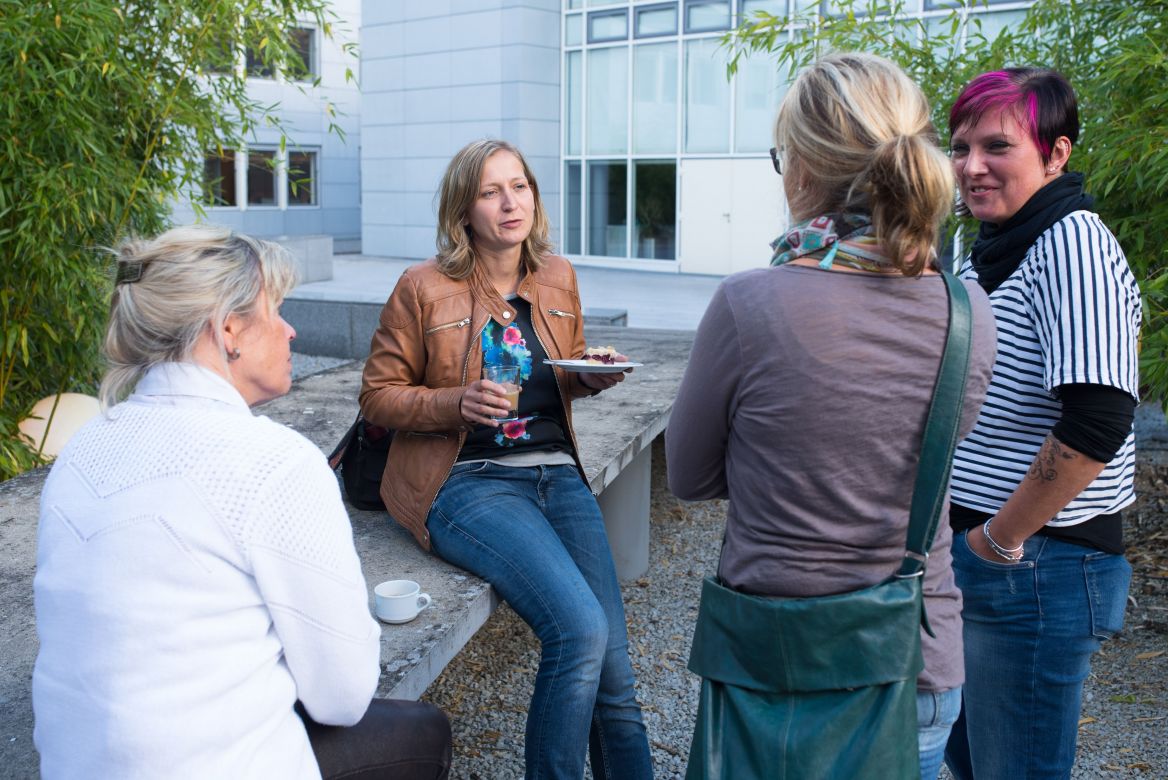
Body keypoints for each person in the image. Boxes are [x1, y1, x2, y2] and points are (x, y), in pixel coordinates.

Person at [665, 53, 997, 780]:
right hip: (916, 663)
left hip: (775, 663)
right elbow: (921, 457)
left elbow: (687, 477)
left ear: (804, 168)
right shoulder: (969, 316)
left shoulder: (751, 304)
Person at [32, 226, 451, 780]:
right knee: (424, 732)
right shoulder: (272, 463)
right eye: (275, 310)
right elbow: (343, 696)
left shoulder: (81, 449)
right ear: (229, 329)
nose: (290, 329)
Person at [359, 139, 654, 780]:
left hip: (554, 471)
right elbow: (377, 396)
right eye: (491, 191)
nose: (509, 201)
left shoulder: (557, 276)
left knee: (616, 668)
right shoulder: (423, 288)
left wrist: (589, 377)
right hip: (464, 481)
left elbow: (561, 374)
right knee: (578, 631)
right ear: (464, 209)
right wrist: (454, 402)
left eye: (519, 186)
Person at [943, 69, 1142, 780]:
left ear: (1057, 154)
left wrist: (998, 539)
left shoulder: (1072, 244)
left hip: (1036, 562)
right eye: (960, 146)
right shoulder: (995, 246)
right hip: (992, 553)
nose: (971, 166)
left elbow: (1100, 417)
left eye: (997, 146)